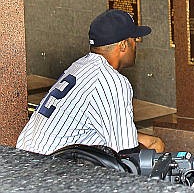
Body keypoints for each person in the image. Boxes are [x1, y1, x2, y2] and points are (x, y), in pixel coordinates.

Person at [16, 9, 165, 155]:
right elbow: (126, 155)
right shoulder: (111, 81)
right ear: (123, 45)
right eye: (134, 39)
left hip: (26, 159)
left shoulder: (80, 65)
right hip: (47, 171)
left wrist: (148, 140)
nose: (136, 45)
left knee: (153, 143)